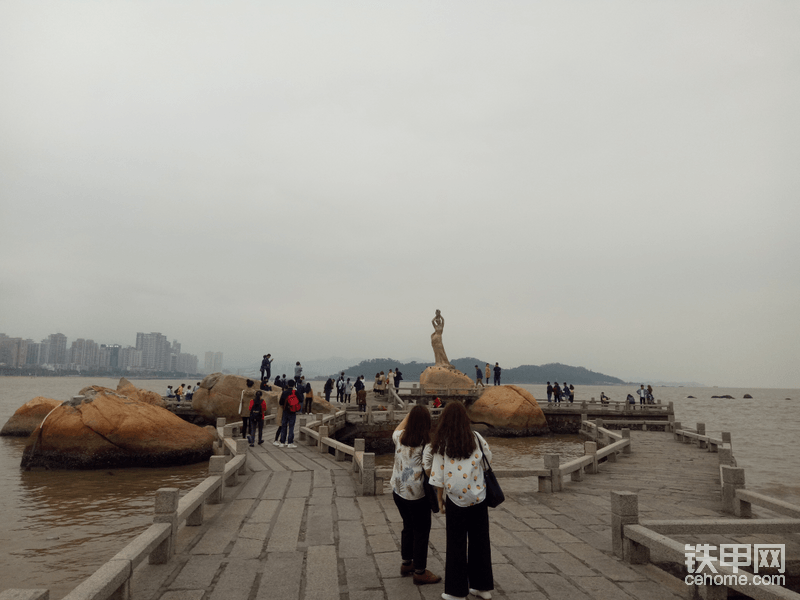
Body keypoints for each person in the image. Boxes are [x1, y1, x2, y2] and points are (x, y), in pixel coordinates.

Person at [429, 401, 494, 600]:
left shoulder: (442, 441)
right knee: (480, 541)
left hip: (456, 500)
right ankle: (482, 587)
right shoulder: (476, 437)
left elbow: (438, 476)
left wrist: (439, 501)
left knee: (456, 544)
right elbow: (488, 459)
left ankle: (456, 592)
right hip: (478, 497)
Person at [390, 405, 440, 585]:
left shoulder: (399, 438)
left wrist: (410, 414)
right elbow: (428, 471)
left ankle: (407, 563)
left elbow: (398, 428)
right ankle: (420, 571)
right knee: (421, 530)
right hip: (417, 495)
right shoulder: (426, 444)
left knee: (408, 525)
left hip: (398, 491)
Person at [278, 380, 299, 448]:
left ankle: (282, 442)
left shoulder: (284, 392)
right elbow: (301, 399)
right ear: (293, 385)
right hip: (293, 412)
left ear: (287, 384)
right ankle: (290, 442)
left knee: (284, 426)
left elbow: (280, 402)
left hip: (285, 411)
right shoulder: (295, 392)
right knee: (291, 427)